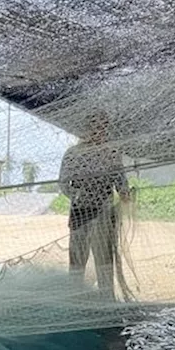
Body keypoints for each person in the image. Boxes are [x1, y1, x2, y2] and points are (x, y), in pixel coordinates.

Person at [58, 111, 130, 295]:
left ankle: (106, 297)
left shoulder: (111, 152)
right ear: (86, 128)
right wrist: (79, 195)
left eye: (103, 126)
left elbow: (120, 178)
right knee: (77, 258)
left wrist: (124, 193)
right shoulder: (73, 153)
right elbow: (63, 182)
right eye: (95, 126)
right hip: (80, 212)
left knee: (104, 257)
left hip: (105, 212)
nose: (99, 130)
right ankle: (75, 297)